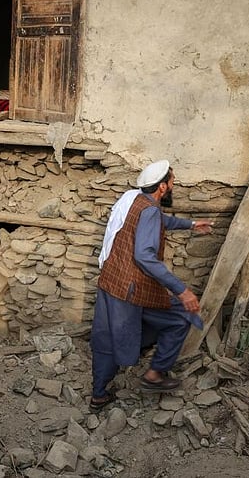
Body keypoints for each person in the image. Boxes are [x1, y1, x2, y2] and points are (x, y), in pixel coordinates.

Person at [89, 160, 213, 413]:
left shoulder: (134, 199)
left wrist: (190, 225)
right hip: (131, 290)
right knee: (181, 316)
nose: (173, 186)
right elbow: (144, 255)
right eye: (173, 182)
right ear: (163, 187)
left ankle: (99, 395)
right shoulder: (149, 211)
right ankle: (154, 375)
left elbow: (159, 222)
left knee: (107, 337)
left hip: (111, 281)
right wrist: (182, 290)